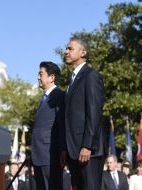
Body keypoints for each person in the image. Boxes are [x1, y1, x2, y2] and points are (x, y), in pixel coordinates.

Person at [61, 37, 106, 190]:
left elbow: (94, 113)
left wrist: (87, 145)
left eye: (70, 49)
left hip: (88, 151)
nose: (65, 51)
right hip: (74, 151)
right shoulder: (72, 80)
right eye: (66, 48)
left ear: (83, 53)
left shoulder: (90, 76)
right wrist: (65, 149)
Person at [31, 61, 65, 190]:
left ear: (52, 77)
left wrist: (63, 150)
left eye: (41, 74)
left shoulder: (59, 96)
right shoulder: (44, 98)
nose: (38, 77)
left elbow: (62, 125)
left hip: (50, 154)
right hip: (39, 154)